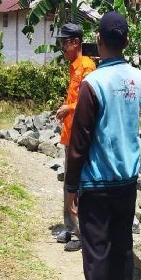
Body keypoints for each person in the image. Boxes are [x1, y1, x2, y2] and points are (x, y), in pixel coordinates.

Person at [65, 11, 141, 280]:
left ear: (97, 40)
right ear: (126, 41)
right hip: (128, 178)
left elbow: (79, 142)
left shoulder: (93, 83)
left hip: (98, 181)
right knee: (122, 246)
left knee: (97, 250)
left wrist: (71, 186)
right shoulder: (138, 79)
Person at [53, 23, 96, 252]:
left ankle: (80, 233)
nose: (62, 46)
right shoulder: (73, 67)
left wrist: (68, 108)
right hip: (70, 135)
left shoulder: (87, 67)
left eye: (65, 42)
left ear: (76, 42)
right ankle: (70, 227)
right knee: (69, 184)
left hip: (80, 137)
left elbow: (88, 103)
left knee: (77, 185)